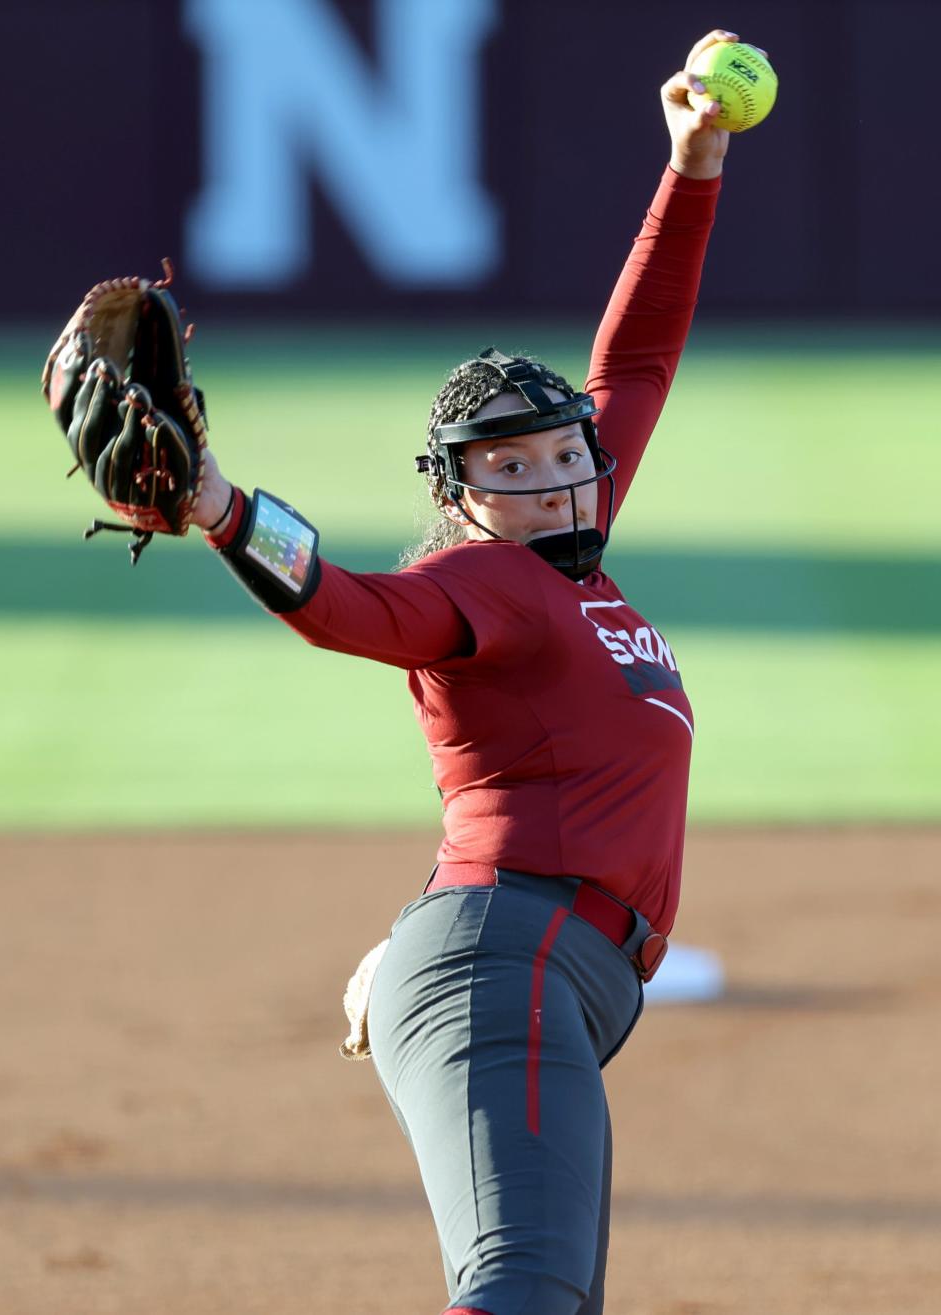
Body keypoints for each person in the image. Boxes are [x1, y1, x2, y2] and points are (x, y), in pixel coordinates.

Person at [192, 29, 744, 1315]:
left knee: (544, 1293)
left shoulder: (571, 557)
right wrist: (225, 508)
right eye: (505, 466)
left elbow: (639, 358)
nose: (546, 477)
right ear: (459, 496)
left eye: (561, 453)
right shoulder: (483, 583)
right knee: (522, 1288)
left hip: (540, 964)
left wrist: (694, 167)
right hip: (514, 963)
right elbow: (341, 606)